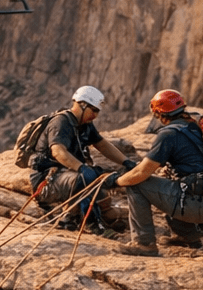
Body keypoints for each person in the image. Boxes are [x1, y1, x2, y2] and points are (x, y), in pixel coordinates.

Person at [113, 89, 203, 256]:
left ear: (158, 113)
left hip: (201, 206)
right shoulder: (196, 125)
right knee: (172, 179)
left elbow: (140, 174)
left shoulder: (169, 134)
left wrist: (116, 182)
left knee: (137, 185)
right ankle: (187, 236)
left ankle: (144, 244)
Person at [28, 85, 134, 234]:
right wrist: (82, 168)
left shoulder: (85, 125)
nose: (96, 115)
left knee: (101, 182)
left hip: (65, 177)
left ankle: (74, 217)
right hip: (47, 182)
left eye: (98, 111)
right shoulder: (61, 123)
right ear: (82, 105)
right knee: (84, 180)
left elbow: (102, 145)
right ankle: (94, 226)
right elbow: (58, 151)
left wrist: (125, 161)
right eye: (94, 110)